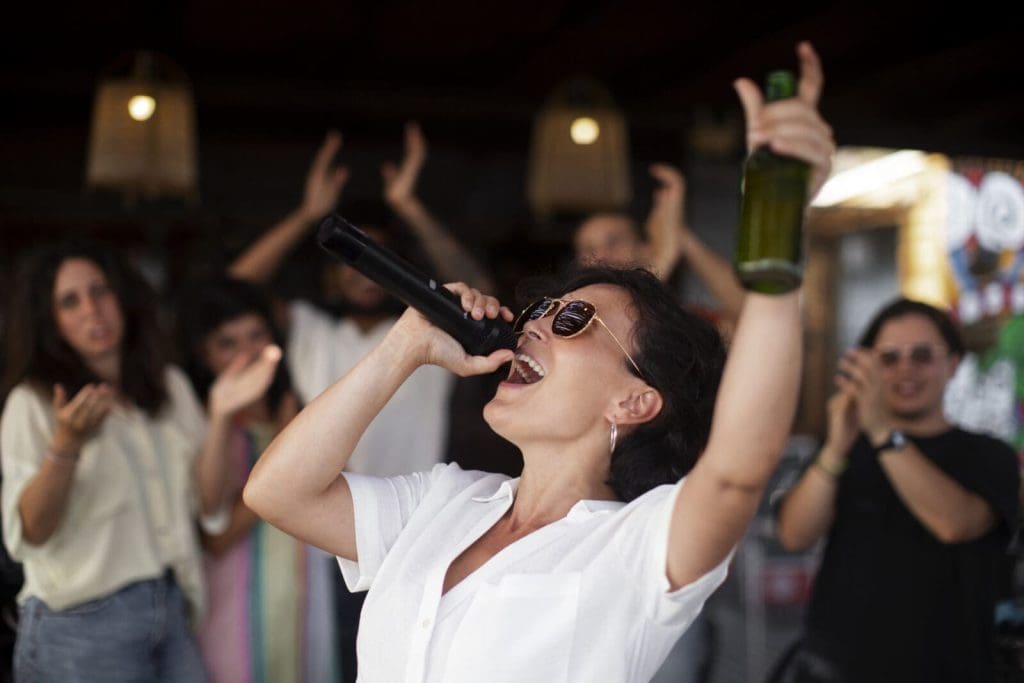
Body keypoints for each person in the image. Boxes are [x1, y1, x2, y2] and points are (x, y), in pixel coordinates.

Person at [242, 42, 833, 681]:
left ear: (635, 400)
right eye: (540, 310)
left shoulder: (634, 545)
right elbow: (278, 491)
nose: (534, 327)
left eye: (573, 320)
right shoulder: (444, 502)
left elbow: (738, 471)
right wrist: (403, 348)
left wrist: (780, 223)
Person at [230, 122, 495, 681]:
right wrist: (308, 215)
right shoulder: (305, 329)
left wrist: (411, 206)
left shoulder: (432, 329)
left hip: (417, 533)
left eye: (381, 259)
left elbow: (481, 286)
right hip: (324, 533)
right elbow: (233, 292)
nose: (366, 273)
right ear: (331, 269)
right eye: (356, 259)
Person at [0, 241, 280, 681]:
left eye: (100, 291)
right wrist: (67, 444)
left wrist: (222, 414)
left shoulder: (167, 386)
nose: (93, 309)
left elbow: (209, 508)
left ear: (122, 297)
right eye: (70, 301)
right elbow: (31, 533)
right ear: (47, 320)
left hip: (170, 607)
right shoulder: (32, 402)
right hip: (82, 623)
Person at [773, 298, 1020, 681]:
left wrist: (882, 431)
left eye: (922, 355)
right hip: (835, 667)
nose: (905, 369)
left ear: (953, 364)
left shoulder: (990, 454)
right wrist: (837, 447)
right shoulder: (845, 449)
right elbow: (794, 534)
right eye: (888, 358)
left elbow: (954, 524)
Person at [178, 276, 340, 682]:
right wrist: (281, 456)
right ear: (204, 355)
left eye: (257, 335)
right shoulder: (200, 422)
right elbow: (215, 537)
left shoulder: (295, 408)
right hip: (235, 613)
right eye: (227, 344)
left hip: (303, 601)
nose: (247, 354)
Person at [573, 163, 746, 328]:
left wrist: (681, 236)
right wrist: (663, 260)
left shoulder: (688, 322)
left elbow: (751, 314)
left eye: (614, 242)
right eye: (589, 249)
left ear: (645, 248)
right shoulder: (569, 318)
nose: (601, 255)